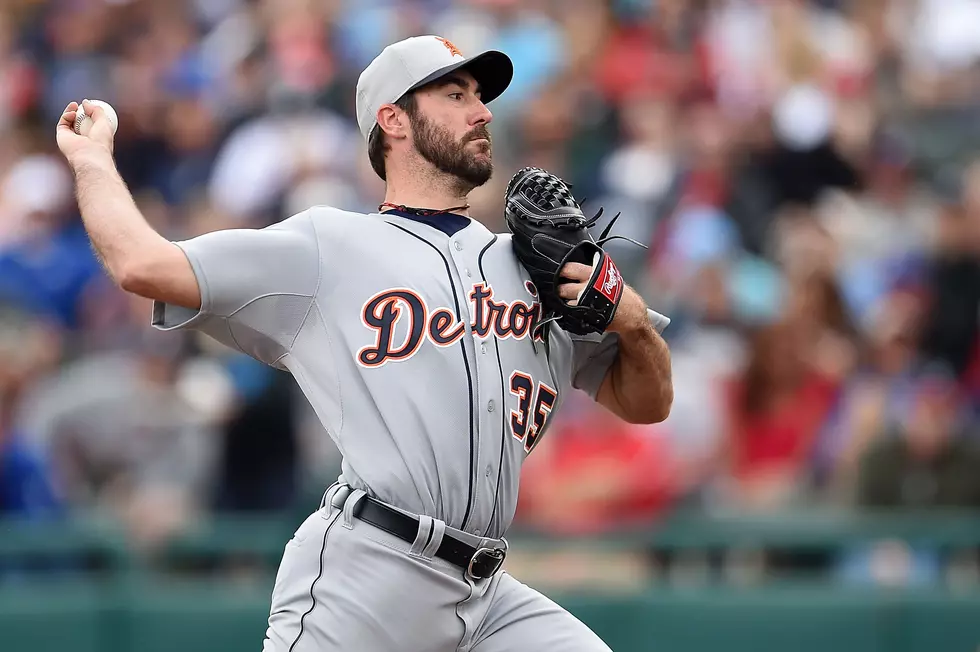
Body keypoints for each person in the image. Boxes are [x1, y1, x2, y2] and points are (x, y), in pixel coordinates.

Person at [55, 35, 673, 652]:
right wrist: (91, 161)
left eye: (480, 97)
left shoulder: (532, 266)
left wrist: (632, 320)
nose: (482, 112)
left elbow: (647, 403)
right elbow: (141, 264)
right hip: (370, 576)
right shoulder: (328, 246)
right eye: (455, 94)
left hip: (486, 593)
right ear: (393, 119)